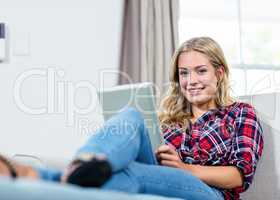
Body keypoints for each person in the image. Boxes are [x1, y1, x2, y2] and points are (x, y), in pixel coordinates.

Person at [0, 37, 263, 200]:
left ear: (219, 73)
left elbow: (238, 177)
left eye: (200, 71)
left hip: (210, 193)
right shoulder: (168, 119)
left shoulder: (240, 113)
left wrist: (185, 168)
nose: (191, 81)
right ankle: (84, 163)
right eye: (184, 73)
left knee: (131, 172)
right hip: (159, 174)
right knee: (131, 114)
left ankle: (37, 175)